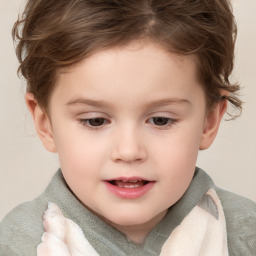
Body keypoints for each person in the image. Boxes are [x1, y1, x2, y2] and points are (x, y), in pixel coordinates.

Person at [0, 0, 255, 255]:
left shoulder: (246, 235)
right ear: (46, 124)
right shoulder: (16, 245)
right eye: (95, 121)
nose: (129, 151)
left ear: (208, 121)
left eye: (161, 120)